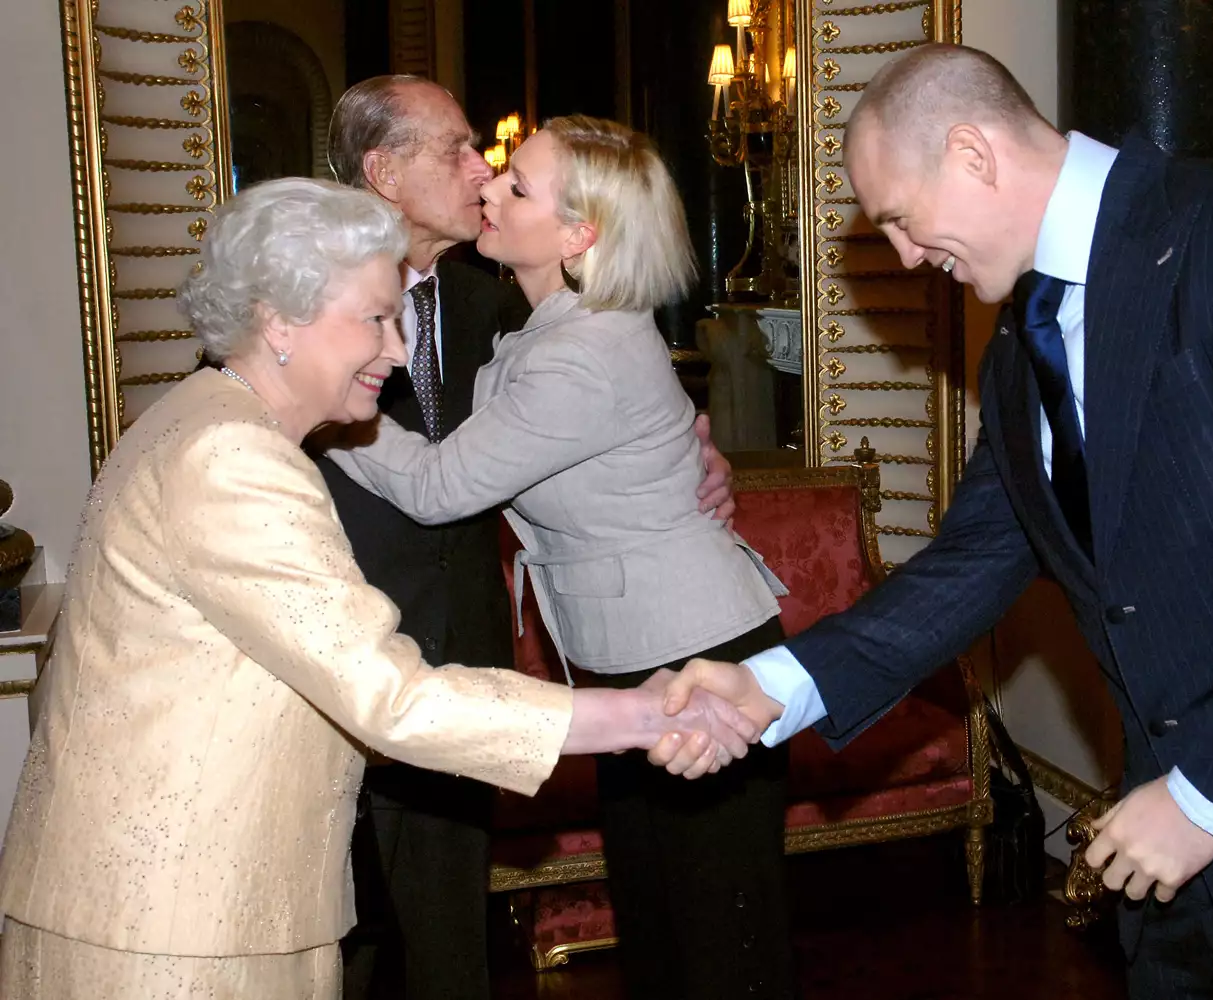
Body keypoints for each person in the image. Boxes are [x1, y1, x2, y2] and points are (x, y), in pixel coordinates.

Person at [665, 43, 1213, 1000]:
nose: (901, 256)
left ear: (973, 154)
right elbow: (979, 556)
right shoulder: (1022, 347)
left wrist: (1210, 797)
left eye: (899, 218)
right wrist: (774, 687)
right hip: (1177, 867)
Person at [0, 178, 754, 1000]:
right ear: (279, 320)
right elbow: (390, 698)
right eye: (375, 319)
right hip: (178, 930)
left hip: (170, 904)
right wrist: (644, 714)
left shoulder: (202, 417)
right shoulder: (231, 459)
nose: (397, 351)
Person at [328, 115, 797, 1000]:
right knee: (661, 928)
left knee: (724, 943)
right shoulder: (544, 326)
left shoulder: (583, 350)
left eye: (518, 186)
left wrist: (320, 401)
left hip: (694, 657)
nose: (489, 187)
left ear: (579, 236)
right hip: (630, 662)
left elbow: (437, 488)